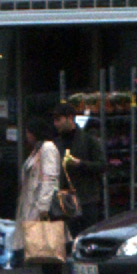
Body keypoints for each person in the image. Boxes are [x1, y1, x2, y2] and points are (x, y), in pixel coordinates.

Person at [17, 117, 66, 274]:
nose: (27, 136)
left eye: (28, 132)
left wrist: (42, 207)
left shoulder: (47, 149)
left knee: (49, 248)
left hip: (44, 207)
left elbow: (49, 178)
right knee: (45, 249)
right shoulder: (38, 150)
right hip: (36, 205)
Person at [52, 101, 105, 238]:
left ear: (70, 118)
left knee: (88, 236)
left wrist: (81, 164)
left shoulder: (88, 140)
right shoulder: (56, 143)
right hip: (64, 201)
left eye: (58, 120)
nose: (56, 124)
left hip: (86, 199)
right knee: (68, 238)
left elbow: (102, 165)